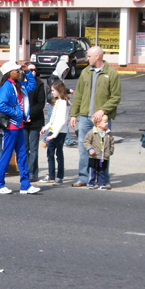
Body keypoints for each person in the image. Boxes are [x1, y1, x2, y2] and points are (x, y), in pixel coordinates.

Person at [70, 46, 121, 187]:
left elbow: (116, 97)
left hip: (102, 121)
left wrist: (103, 110)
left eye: (88, 56)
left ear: (97, 56)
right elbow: (79, 95)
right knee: (83, 148)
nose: (87, 58)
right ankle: (83, 178)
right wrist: (74, 114)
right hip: (86, 117)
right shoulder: (86, 72)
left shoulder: (111, 73)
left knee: (102, 150)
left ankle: (104, 180)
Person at [0, 61, 40, 195]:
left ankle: (25, 185)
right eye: (16, 70)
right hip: (12, 126)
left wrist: (27, 71)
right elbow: (0, 105)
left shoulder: (17, 85)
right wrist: (16, 113)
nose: (18, 72)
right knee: (7, 155)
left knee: (22, 155)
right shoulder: (6, 87)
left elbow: (32, 85)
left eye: (19, 70)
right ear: (9, 73)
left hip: (19, 125)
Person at [39, 79, 70, 184]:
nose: (52, 92)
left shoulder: (64, 103)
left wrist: (53, 135)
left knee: (59, 154)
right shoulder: (57, 102)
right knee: (50, 153)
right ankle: (51, 175)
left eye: (53, 90)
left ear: (59, 90)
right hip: (53, 131)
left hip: (60, 132)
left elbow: (62, 121)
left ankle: (59, 177)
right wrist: (45, 128)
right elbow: (53, 119)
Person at [22, 63, 47, 183]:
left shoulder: (39, 84)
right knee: (24, 148)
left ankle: (33, 173)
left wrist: (29, 114)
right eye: (30, 70)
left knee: (33, 148)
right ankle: (25, 171)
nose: (33, 72)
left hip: (35, 120)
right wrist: (23, 115)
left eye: (34, 70)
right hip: (22, 120)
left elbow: (41, 103)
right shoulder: (20, 83)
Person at [84, 114, 114, 189]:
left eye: (107, 122)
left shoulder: (108, 133)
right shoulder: (92, 132)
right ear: (98, 124)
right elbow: (86, 142)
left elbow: (112, 143)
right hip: (94, 156)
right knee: (92, 171)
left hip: (103, 157)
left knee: (102, 171)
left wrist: (110, 151)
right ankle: (91, 183)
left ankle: (101, 183)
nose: (107, 123)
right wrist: (90, 149)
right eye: (105, 122)